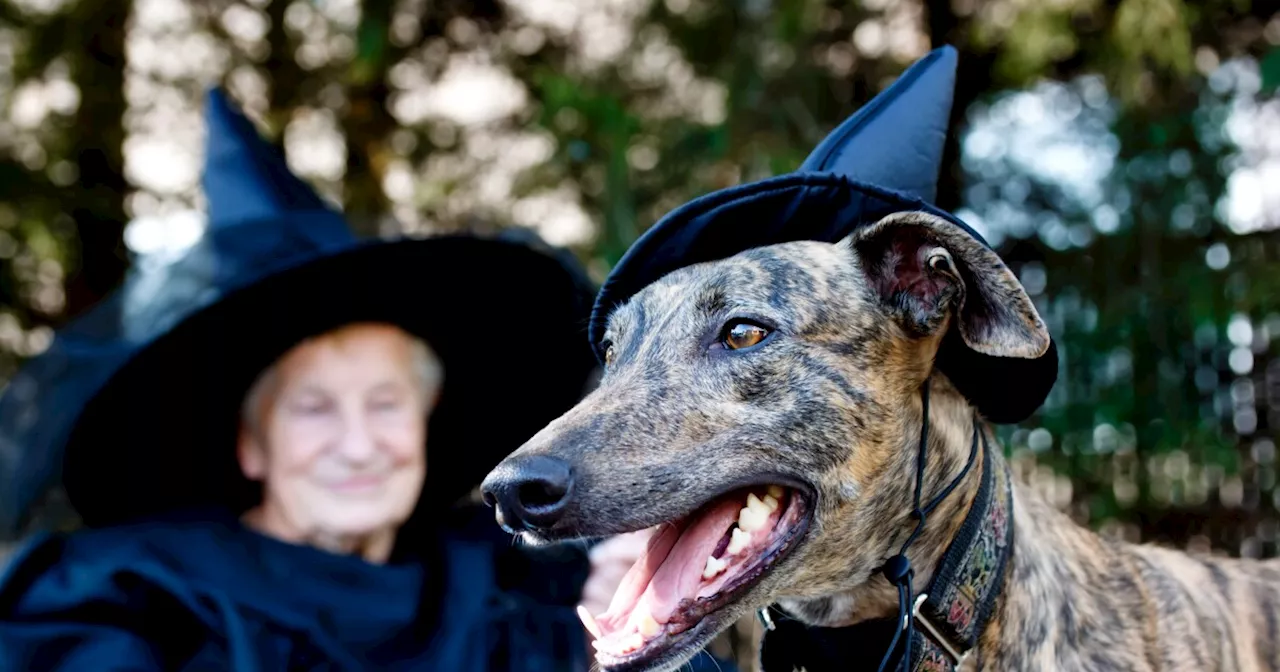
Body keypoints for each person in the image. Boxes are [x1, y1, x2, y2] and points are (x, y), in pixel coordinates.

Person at [0, 88, 607, 671]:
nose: (358, 443)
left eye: (388, 403)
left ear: (427, 422)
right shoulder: (122, 597)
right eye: (313, 408)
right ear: (250, 446)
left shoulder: (515, 577)